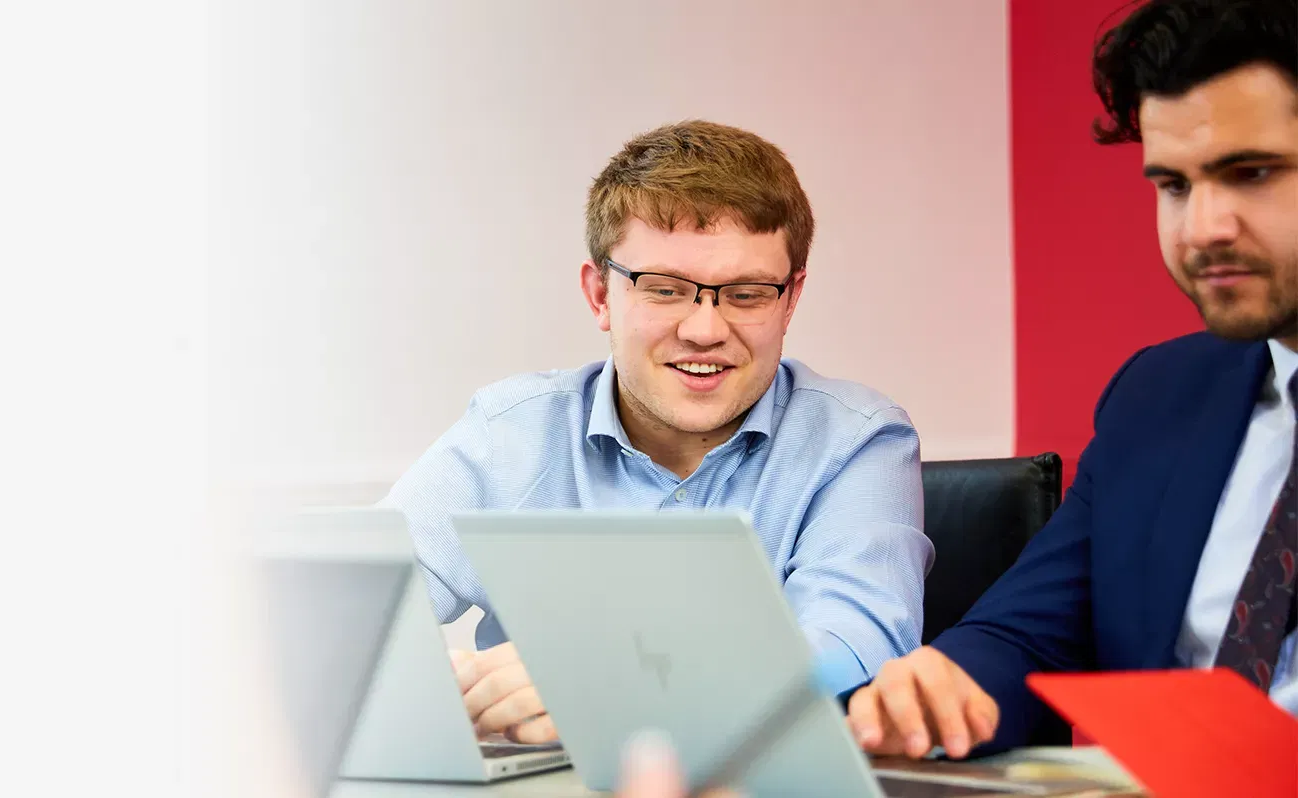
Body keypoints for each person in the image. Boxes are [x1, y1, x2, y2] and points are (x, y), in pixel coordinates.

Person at [846, 0, 1298, 760]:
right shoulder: (1160, 397)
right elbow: (1027, 635)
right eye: (1175, 185)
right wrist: (935, 692)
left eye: (1251, 173)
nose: (1202, 228)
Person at [384, 120, 933, 743]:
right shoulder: (508, 433)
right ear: (600, 296)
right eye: (665, 290)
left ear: (790, 299)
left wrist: (620, 684)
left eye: (747, 294)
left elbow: (855, 651)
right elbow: (354, 617)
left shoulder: (857, 441)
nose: (704, 330)